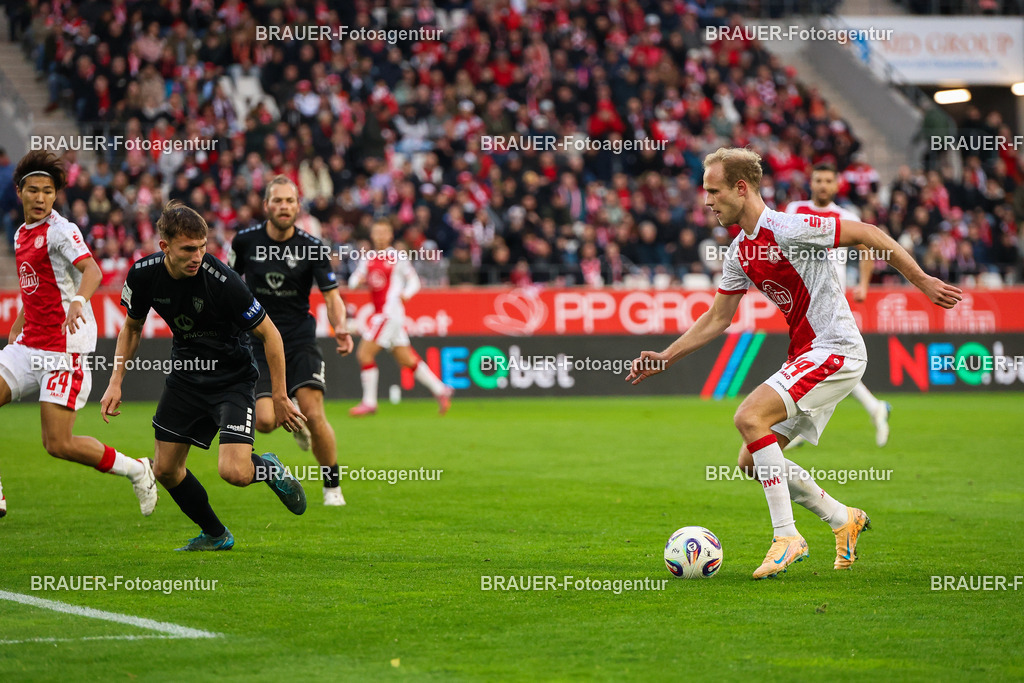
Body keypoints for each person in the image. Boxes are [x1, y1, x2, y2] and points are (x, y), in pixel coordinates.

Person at [627, 148, 962, 580]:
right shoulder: (739, 252)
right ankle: (842, 518)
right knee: (751, 462)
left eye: (713, 191)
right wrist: (666, 357)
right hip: (809, 354)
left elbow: (867, 233)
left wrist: (922, 282)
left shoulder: (788, 227)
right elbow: (717, 318)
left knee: (749, 416)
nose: (707, 201)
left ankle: (787, 536)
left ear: (740, 188)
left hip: (836, 347)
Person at [100, 201, 307, 551]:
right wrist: (116, 380)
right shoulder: (143, 274)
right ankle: (215, 534)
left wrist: (280, 396)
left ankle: (269, 468)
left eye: (202, 246)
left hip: (232, 379)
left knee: (236, 473)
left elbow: (270, 334)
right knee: (165, 469)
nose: (197, 255)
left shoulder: (223, 280)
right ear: (164, 247)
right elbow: (131, 328)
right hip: (185, 375)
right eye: (188, 249)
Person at [0, 150, 156, 521]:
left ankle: (138, 469)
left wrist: (79, 301)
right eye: (34, 190)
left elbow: (92, 271)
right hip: (29, 344)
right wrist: (18, 324)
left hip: (63, 351)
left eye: (48, 191)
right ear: (19, 191)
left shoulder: (61, 230)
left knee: (59, 444)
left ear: (56, 195)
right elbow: (38, 287)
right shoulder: (22, 233)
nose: (41, 198)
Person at [228, 176, 353, 507]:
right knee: (266, 421)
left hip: (298, 339)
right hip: (257, 339)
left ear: (298, 206)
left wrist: (340, 326)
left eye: (290, 201)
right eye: (277, 201)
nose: (284, 206)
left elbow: (332, 295)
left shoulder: (312, 246)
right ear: (266, 205)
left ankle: (332, 487)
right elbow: (227, 285)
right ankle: (285, 426)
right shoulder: (244, 242)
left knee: (314, 412)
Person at [785, 163, 891, 447]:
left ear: (836, 185)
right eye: (818, 179)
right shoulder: (795, 210)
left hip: (831, 300)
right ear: (811, 182)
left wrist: (864, 285)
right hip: (802, 299)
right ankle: (874, 408)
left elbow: (866, 249)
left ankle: (799, 426)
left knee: (827, 359)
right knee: (834, 360)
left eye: (828, 180)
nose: (822, 185)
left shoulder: (845, 216)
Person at [347, 219, 453, 416]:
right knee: (406, 358)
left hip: (390, 313)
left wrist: (407, 293)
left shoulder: (398, 257)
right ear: (372, 235)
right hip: (384, 314)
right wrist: (357, 281)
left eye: (383, 232)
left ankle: (369, 402)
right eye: (376, 232)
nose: (379, 236)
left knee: (364, 354)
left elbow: (414, 281)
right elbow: (354, 280)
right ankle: (441, 389)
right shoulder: (367, 258)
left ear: (390, 235)